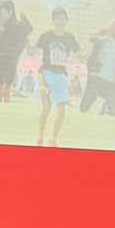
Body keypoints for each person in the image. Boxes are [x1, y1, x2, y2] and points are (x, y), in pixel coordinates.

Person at [34, 8, 79, 147]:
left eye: (63, 18)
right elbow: (31, 51)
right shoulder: (46, 36)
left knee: (61, 109)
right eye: (58, 18)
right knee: (46, 110)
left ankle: (53, 139)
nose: (60, 21)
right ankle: (40, 134)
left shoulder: (70, 38)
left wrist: (94, 46)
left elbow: (81, 57)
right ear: (53, 20)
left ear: (67, 21)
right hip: (46, 74)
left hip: (61, 76)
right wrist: (25, 38)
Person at [0, 0, 31, 104]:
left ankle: (7, 91)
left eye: (9, 10)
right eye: (4, 9)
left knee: (10, 70)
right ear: (0, 10)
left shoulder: (16, 25)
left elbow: (28, 29)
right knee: (0, 71)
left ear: (12, 12)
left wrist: (25, 19)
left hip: (10, 54)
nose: (6, 13)